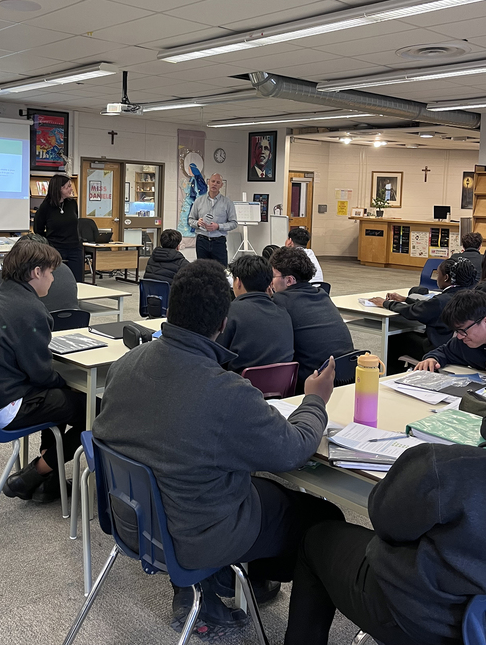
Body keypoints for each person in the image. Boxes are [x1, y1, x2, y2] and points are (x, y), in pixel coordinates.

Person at [92, 260, 343, 635]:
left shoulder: (124, 365)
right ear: (224, 324)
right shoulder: (226, 392)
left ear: (170, 307)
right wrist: (315, 401)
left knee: (237, 482)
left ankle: (224, 580)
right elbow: (293, 450)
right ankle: (255, 584)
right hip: (195, 536)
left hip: (133, 522)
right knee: (324, 517)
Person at [284, 442, 486, 645]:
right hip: (475, 625)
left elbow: (386, 521)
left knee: (316, 539)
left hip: (426, 616)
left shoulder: (452, 465)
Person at [0, 238, 86, 504]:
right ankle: (36, 473)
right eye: (50, 272)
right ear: (37, 272)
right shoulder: (30, 309)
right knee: (93, 411)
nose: (53, 279)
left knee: (59, 399)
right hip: (7, 406)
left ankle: (47, 480)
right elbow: (41, 375)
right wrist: (67, 382)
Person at [369, 257, 478, 374]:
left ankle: (391, 375)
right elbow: (426, 306)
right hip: (464, 350)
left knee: (396, 338)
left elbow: (412, 311)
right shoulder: (473, 296)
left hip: (439, 349)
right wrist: (405, 299)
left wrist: (386, 303)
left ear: (446, 277)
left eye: (438, 274)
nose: (437, 278)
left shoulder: (441, 301)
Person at [270, 247, 353, 392]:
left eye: (273, 276)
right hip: (345, 375)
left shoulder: (280, 301)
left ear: (289, 280)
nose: (270, 282)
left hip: (312, 382)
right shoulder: (322, 294)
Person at [217, 254, 294, 373]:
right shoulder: (284, 313)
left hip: (239, 382)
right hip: (283, 383)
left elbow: (216, 354)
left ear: (238, 282)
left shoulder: (230, 312)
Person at [0, 233, 79, 312]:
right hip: (72, 325)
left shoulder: (17, 271)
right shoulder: (65, 268)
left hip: (35, 327)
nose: (52, 278)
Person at [415, 289, 486, 372]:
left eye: (463, 330)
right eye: (457, 331)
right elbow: (444, 352)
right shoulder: (463, 344)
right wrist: (432, 359)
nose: (459, 337)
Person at [33, 174, 83, 283]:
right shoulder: (46, 207)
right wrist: (49, 244)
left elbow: (74, 224)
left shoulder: (72, 204)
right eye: (68, 186)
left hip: (75, 248)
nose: (71, 189)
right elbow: (38, 230)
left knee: (77, 281)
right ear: (59, 188)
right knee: (57, 281)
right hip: (55, 249)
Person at [187, 173, 237, 266]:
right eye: (213, 181)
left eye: (218, 182)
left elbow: (233, 223)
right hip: (202, 241)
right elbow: (190, 220)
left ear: (221, 185)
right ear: (208, 182)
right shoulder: (198, 201)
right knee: (202, 270)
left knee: (221, 270)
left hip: (219, 242)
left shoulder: (228, 203)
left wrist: (218, 226)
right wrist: (198, 223)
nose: (214, 184)